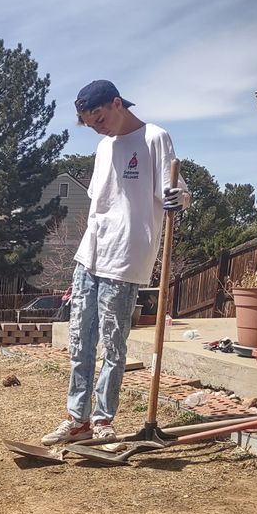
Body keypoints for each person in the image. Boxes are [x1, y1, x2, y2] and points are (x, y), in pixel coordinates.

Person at [42, 80, 190, 445]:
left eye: (101, 118)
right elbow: (99, 202)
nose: (99, 127)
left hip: (125, 257)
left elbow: (180, 192)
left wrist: (179, 197)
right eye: (92, 125)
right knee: (80, 341)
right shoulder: (103, 147)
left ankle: (103, 419)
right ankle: (77, 420)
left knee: (113, 344)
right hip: (90, 255)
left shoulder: (155, 138)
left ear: (117, 103)